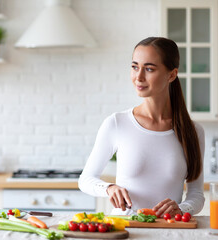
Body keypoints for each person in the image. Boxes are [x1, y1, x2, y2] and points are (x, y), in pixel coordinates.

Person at [78, 37, 205, 217]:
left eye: (149, 69)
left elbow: (196, 194)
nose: (139, 77)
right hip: (126, 229)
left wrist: (182, 208)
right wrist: (109, 188)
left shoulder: (193, 131)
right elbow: (85, 180)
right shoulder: (117, 123)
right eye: (135, 67)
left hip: (170, 231)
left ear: (172, 74)